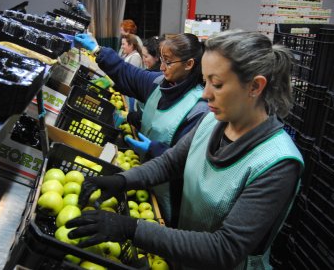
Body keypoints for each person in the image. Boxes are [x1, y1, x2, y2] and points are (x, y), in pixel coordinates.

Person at [66, 30, 304, 269]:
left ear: (255, 86)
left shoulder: (278, 163)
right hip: (186, 256)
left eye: (217, 84)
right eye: (206, 81)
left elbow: (225, 248)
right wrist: (121, 180)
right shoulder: (213, 122)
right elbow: (170, 163)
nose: (206, 94)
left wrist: (130, 228)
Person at [74, 32, 208, 227]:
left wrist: (156, 149)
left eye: (168, 62)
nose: (161, 67)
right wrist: (97, 51)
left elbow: (191, 162)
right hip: (141, 176)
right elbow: (126, 72)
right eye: (161, 60)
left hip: (169, 193)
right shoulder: (158, 83)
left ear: (188, 65)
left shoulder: (198, 109)